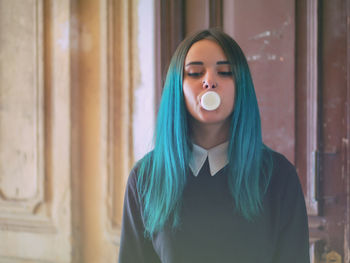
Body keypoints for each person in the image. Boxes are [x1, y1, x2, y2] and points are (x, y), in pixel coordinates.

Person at [118, 29, 310, 263]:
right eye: (195, 73)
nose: (209, 81)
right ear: (177, 88)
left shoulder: (279, 176)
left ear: (241, 87)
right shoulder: (145, 177)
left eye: (225, 72)